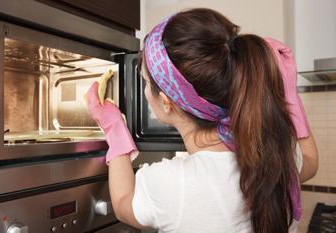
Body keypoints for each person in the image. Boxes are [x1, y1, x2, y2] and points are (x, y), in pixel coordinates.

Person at [86, 8, 318, 233]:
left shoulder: (171, 184)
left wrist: (115, 130)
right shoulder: (276, 154)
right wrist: (288, 94)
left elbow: (123, 204)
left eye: (146, 81)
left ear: (167, 102)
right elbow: (310, 161)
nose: (145, 90)